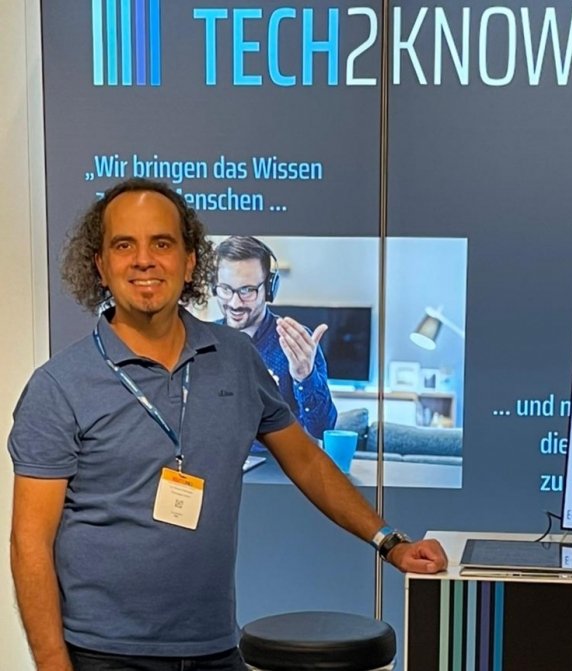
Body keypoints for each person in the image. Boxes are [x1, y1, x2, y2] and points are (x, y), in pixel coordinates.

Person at [7, 177, 447, 671]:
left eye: (162, 243)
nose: (144, 260)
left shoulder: (235, 357)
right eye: (124, 245)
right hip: (104, 654)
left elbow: (307, 462)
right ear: (101, 266)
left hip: (214, 648)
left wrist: (390, 543)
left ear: (190, 262)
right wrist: (52, 662)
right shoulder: (59, 385)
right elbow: (30, 543)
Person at [213, 236, 337, 440]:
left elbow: (323, 429)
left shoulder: (296, 343)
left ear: (269, 289)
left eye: (247, 290)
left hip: (278, 459)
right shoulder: (203, 341)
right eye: (226, 289)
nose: (235, 303)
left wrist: (305, 376)